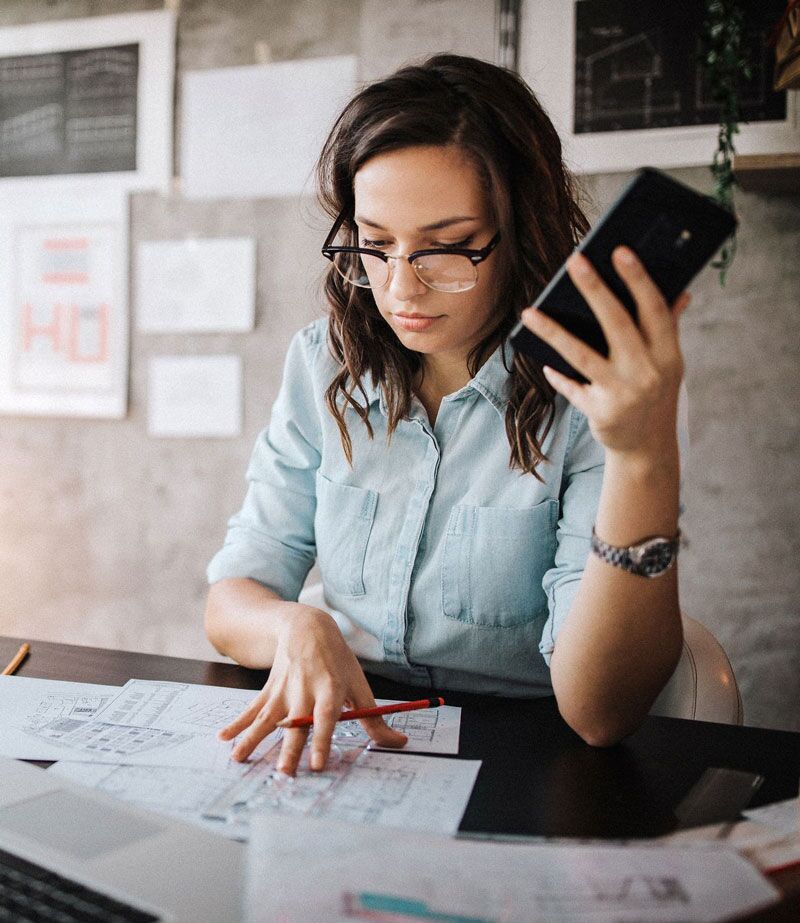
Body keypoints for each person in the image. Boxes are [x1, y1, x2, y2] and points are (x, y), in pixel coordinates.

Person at [204, 54, 689, 776]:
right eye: (376, 244)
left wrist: (643, 454)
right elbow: (232, 597)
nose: (401, 287)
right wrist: (295, 623)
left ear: (519, 231)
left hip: (527, 762)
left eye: (447, 248)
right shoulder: (324, 365)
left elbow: (600, 713)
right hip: (353, 750)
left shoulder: (593, 396)